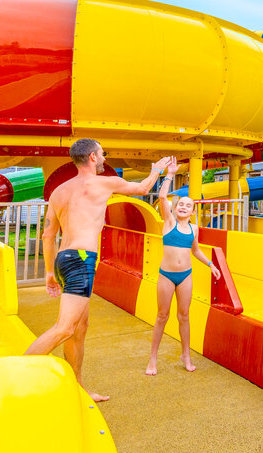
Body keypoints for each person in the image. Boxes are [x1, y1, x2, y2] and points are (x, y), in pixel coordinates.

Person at [25, 139, 172, 402]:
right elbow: (143, 187)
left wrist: (49, 272)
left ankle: (78, 388)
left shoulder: (59, 191)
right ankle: (15, 374)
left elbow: (48, 235)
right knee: (65, 328)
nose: (104, 157)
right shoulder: (104, 183)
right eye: (102, 153)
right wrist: (157, 168)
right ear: (92, 157)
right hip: (81, 260)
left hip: (63, 258)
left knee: (80, 327)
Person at [145, 183, 222, 375]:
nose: (183, 207)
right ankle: (153, 358)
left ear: (193, 212)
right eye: (181, 204)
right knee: (162, 316)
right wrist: (169, 175)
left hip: (185, 275)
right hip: (166, 275)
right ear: (176, 207)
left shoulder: (194, 228)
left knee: (184, 316)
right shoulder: (169, 222)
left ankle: (185, 355)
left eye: (188, 205)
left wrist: (211, 265)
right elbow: (163, 197)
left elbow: (195, 250)